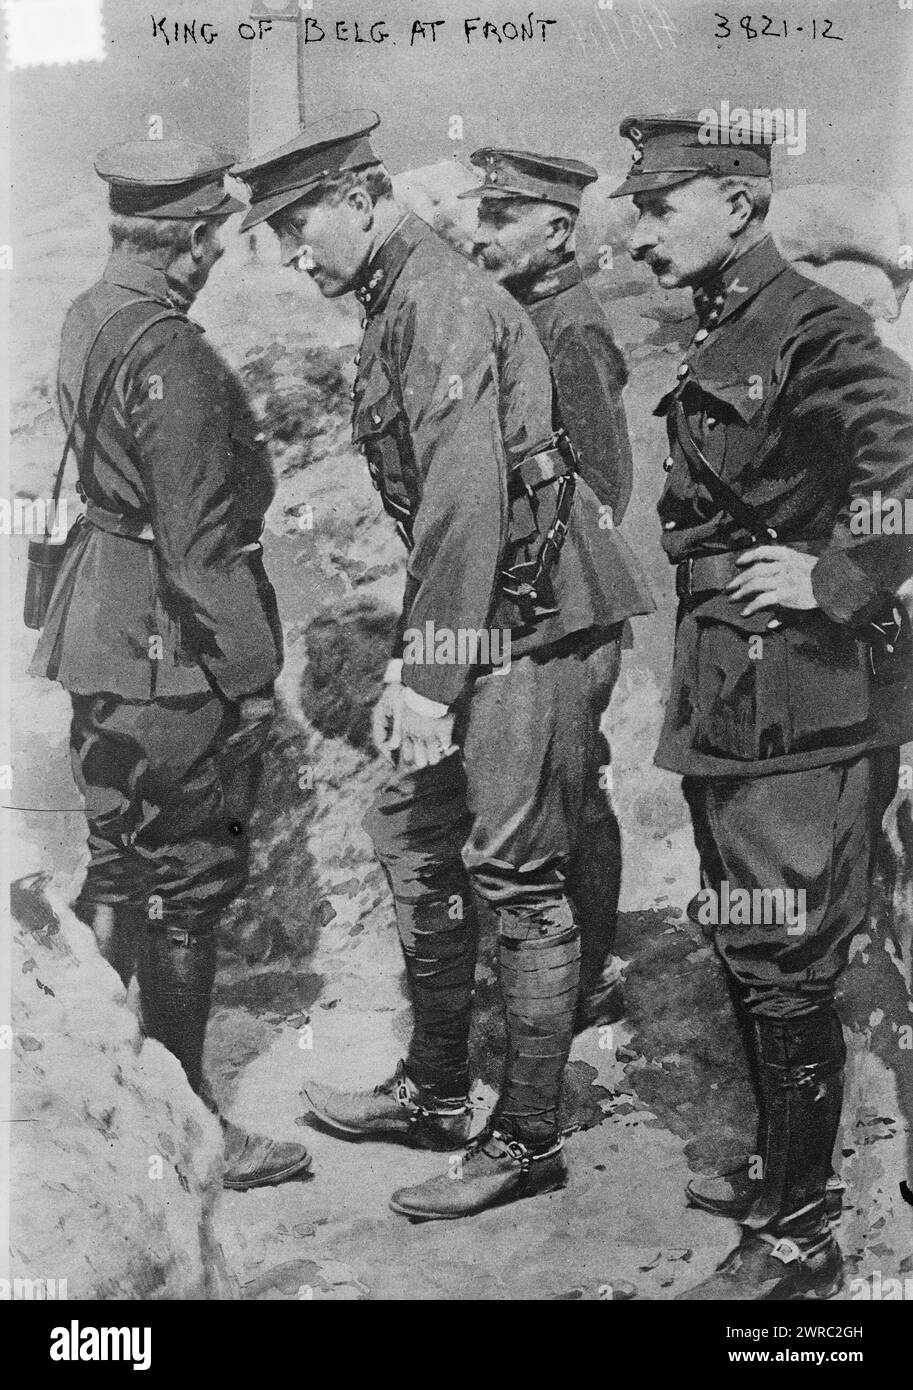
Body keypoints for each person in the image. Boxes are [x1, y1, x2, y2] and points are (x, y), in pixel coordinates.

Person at [233, 110, 654, 1219]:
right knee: (410, 830)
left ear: (357, 197)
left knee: (517, 873)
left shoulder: (439, 300)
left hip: (531, 620)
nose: (291, 252)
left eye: (295, 225)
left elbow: (467, 504)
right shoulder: (401, 295)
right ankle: (431, 1088)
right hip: (487, 619)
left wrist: (429, 676)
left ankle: (524, 1137)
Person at [610, 113, 913, 1298]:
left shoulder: (814, 327)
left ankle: (801, 1237)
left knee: (785, 956)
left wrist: (837, 577)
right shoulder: (730, 323)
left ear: (738, 203)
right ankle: (782, 1176)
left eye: (655, 205)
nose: (635, 236)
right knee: (751, 937)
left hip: (806, 704)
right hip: (737, 693)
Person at [29, 139, 312, 1191]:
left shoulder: (89, 313)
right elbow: (199, 550)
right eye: (219, 241)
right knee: (186, 881)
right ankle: (190, 1123)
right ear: (192, 243)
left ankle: (108, 1101)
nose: (221, 256)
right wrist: (248, 675)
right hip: (167, 653)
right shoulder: (177, 359)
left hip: (96, 629)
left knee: (119, 856)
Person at [466, 147, 642, 1028]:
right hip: (544, 594)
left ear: (557, 228)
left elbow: (603, 482)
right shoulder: (524, 313)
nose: (481, 233)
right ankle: (584, 965)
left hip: (569, 599)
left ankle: (584, 978)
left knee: (567, 790)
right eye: (482, 215)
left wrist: (550, 577)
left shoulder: (569, 325)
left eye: (501, 218)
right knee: (572, 786)